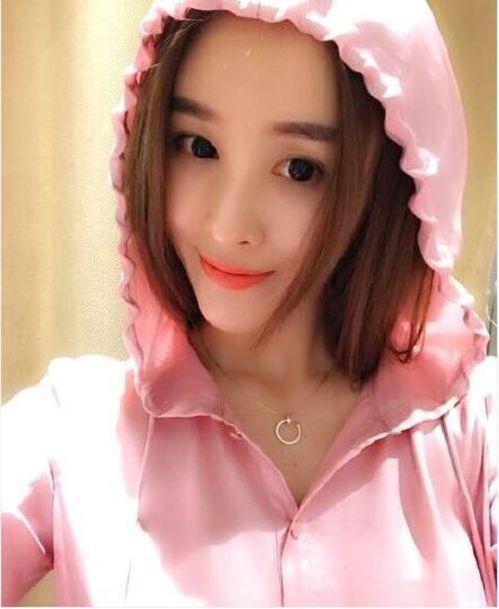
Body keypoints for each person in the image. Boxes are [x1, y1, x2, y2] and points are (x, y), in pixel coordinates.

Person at [2, 0, 497, 606]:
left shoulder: (477, 431)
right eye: (198, 146)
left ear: (392, 186)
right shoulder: (71, 429)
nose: (229, 227)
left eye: (300, 169)